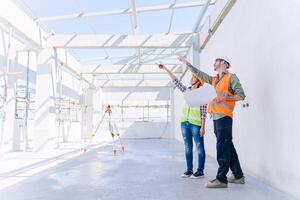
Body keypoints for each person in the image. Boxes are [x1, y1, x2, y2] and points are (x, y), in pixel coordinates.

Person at [177, 56, 246, 188]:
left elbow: (241, 95)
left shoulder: (231, 77)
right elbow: (200, 74)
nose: (213, 63)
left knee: (222, 147)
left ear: (223, 63)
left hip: (224, 117)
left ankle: (221, 179)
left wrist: (225, 97)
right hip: (215, 117)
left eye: (215, 61)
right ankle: (238, 175)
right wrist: (187, 64)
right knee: (228, 146)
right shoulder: (215, 79)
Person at [158, 64, 207, 179]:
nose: (191, 78)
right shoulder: (187, 90)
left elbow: (204, 111)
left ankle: (200, 171)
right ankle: (189, 170)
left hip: (196, 124)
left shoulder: (202, 94)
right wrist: (165, 68)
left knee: (199, 147)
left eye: (194, 77)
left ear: (199, 81)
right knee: (188, 147)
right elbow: (176, 81)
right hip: (184, 123)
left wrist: (203, 127)